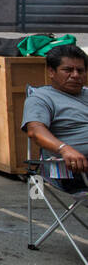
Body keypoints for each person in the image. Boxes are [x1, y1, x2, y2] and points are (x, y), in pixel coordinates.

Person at [21, 45, 88, 192]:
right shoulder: (42, 98)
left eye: (80, 70)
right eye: (68, 70)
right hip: (74, 168)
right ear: (51, 72)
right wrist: (64, 149)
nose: (76, 75)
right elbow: (35, 131)